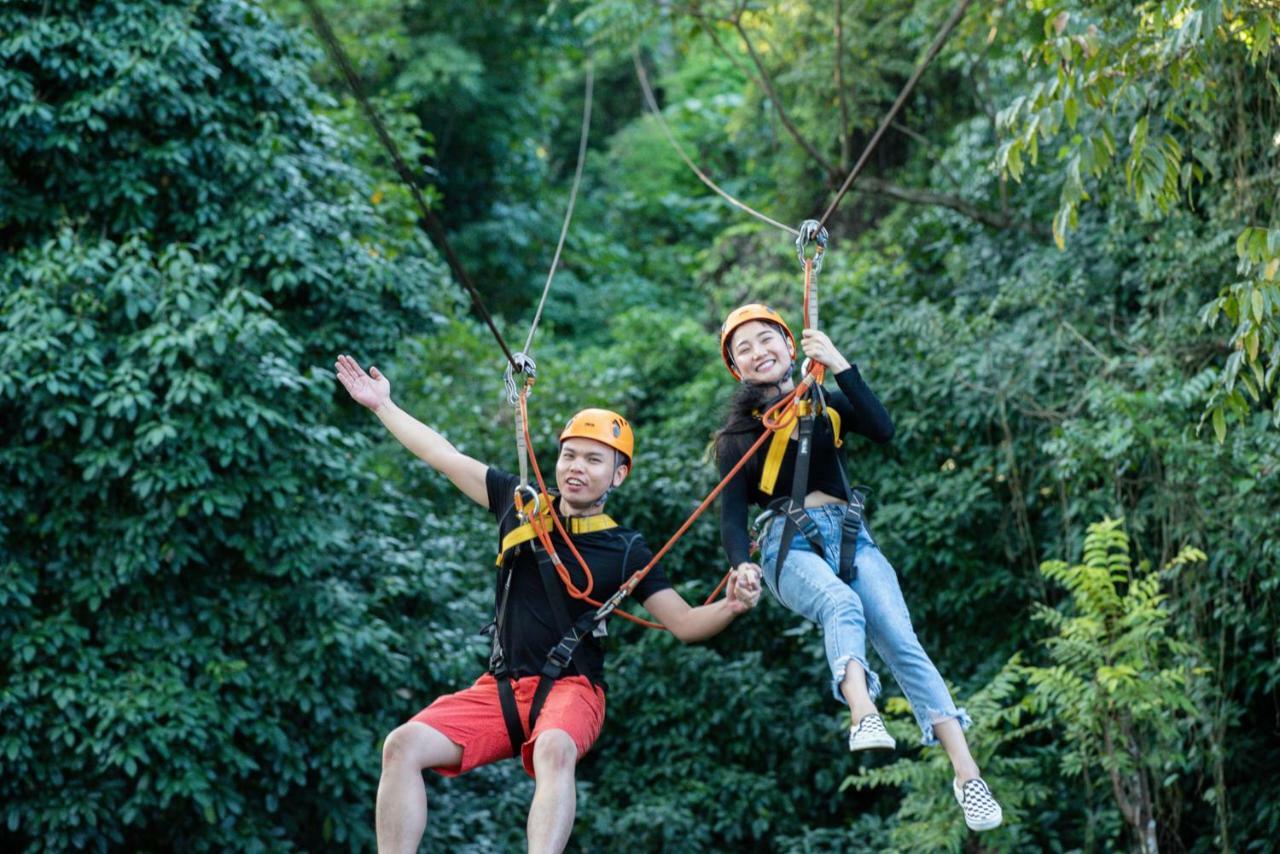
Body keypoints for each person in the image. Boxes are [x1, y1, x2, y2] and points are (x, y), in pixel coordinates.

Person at [334, 354, 761, 854]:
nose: (576, 468)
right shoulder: (521, 506)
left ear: (618, 475)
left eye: (593, 459)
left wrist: (731, 605)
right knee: (402, 745)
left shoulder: (625, 549)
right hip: (501, 688)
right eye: (570, 455)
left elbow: (685, 622)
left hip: (574, 690)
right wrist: (384, 406)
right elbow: (442, 455)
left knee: (555, 748)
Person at [712, 305, 1003, 833]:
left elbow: (883, 429)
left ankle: (968, 776)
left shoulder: (825, 404)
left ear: (789, 343)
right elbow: (733, 519)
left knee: (900, 638)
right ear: (737, 368)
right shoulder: (737, 439)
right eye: (744, 349)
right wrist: (742, 567)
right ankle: (862, 711)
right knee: (839, 603)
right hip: (787, 542)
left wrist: (838, 362)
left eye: (765, 339)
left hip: (850, 533)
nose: (758, 352)